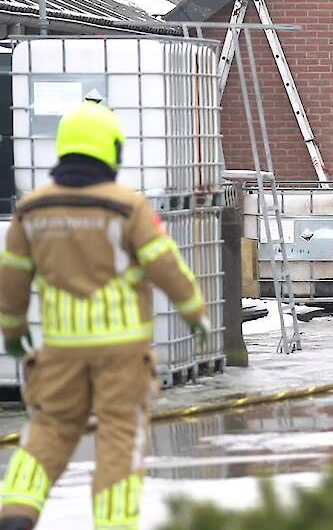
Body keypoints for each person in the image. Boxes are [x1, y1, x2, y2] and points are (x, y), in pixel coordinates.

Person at [0, 101, 209, 530]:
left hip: (60, 351)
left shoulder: (33, 209)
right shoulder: (127, 208)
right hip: (121, 353)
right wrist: (195, 313)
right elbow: (165, 265)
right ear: (111, 149)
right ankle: (113, 524)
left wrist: (13, 329)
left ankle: (16, 511)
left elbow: (13, 277)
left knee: (48, 431)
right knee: (119, 439)